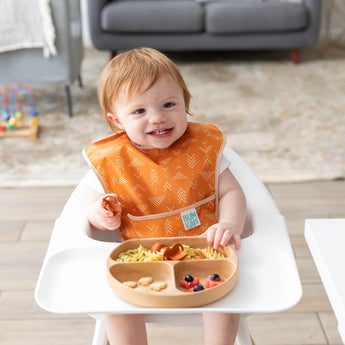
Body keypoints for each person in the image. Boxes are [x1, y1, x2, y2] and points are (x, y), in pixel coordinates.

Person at [83, 47, 247, 345]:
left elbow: (231, 191)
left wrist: (230, 224)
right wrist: (101, 215)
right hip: (139, 259)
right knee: (115, 307)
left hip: (206, 252)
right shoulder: (111, 160)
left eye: (169, 104)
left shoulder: (203, 147)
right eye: (139, 111)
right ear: (117, 120)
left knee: (226, 300)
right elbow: (92, 208)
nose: (158, 118)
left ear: (186, 102)